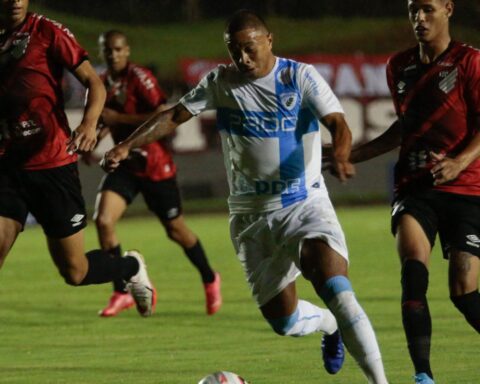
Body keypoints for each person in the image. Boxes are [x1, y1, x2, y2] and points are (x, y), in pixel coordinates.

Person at [103, 10, 389, 383]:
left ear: (269, 40)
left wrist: (341, 152)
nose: (243, 59)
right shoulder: (221, 82)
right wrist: (126, 145)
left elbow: (337, 122)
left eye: (249, 48)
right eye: (234, 51)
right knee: (284, 322)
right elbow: (174, 116)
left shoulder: (298, 76)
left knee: (337, 288)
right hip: (251, 217)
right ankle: (328, 324)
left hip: (303, 204)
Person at [346, 1, 480, 383]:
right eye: (412, 10)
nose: (419, 19)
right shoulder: (398, 66)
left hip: (467, 188)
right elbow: (405, 128)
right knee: (413, 275)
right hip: (415, 187)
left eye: (428, 9)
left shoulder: (470, 62)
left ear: (448, 9)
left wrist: (458, 161)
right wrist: (355, 154)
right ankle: (423, 376)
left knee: (463, 290)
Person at [0, 0, 155, 317]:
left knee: (75, 271)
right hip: (7, 166)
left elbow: (94, 82)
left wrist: (87, 124)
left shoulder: (47, 31)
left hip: (52, 164)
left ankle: (130, 265)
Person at [89, 30, 221, 317]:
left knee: (177, 231)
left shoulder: (140, 78)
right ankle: (121, 291)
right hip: (126, 165)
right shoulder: (103, 83)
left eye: (118, 49)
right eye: (107, 50)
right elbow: (106, 120)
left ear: (127, 50)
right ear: (102, 53)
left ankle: (210, 277)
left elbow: (162, 112)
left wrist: (117, 120)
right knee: (102, 220)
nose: (113, 54)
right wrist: (95, 141)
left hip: (155, 165)